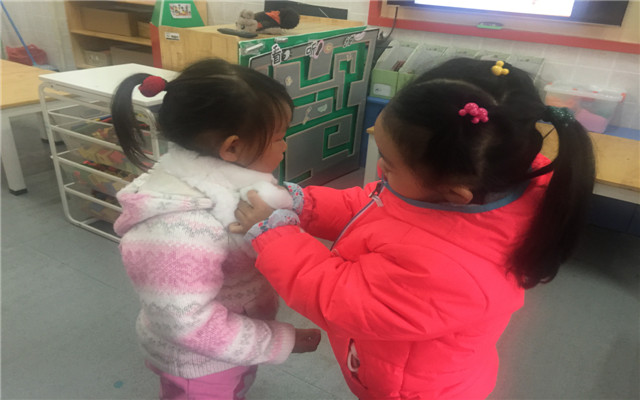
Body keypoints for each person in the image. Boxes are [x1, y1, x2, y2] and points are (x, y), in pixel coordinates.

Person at [229, 58, 596, 399]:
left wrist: (273, 233)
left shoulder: (450, 271)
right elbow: (374, 205)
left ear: (454, 193)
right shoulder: (473, 181)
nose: (380, 171)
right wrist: (302, 204)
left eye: (388, 164)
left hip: (411, 390)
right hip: (397, 360)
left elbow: (338, 297)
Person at [110, 58, 321, 400]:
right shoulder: (180, 229)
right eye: (279, 138)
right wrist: (280, 340)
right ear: (232, 148)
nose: (284, 146)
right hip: (200, 365)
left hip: (233, 346)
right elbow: (186, 322)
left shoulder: (228, 185)